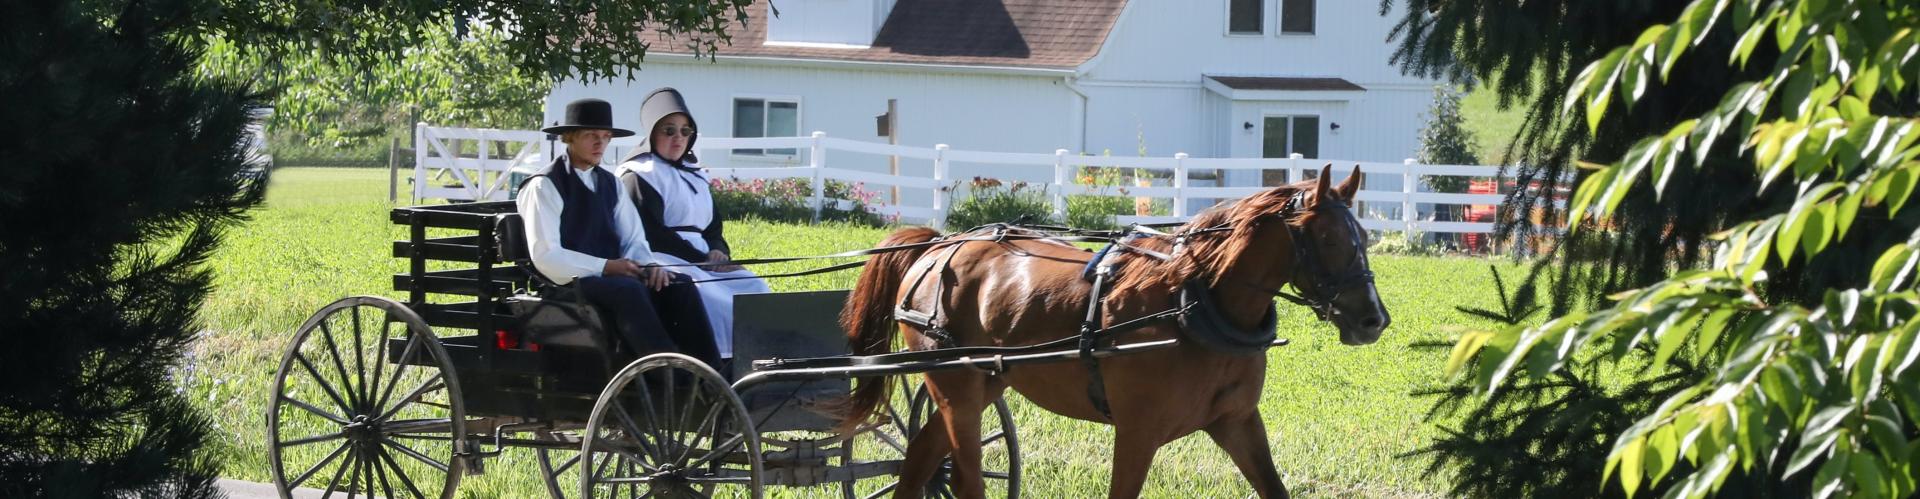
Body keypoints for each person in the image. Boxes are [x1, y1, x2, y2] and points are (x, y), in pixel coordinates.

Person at [516, 97, 722, 369]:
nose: (600, 143)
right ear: (569, 138)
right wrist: (607, 267)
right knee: (627, 290)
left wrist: (649, 265)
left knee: (678, 285)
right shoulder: (545, 186)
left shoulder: (610, 184)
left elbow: (633, 238)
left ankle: (711, 371)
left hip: (611, 276)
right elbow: (547, 256)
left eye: (605, 136)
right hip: (565, 284)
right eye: (591, 136)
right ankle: (665, 371)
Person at [616, 88, 772, 366]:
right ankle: (721, 365)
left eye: (685, 131)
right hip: (662, 259)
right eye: (669, 130)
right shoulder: (639, 174)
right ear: (652, 133)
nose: (678, 138)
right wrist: (700, 260)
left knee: (754, 287)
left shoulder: (696, 175)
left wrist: (718, 252)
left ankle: (760, 358)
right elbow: (652, 234)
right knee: (712, 298)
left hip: (703, 261)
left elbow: (713, 227)